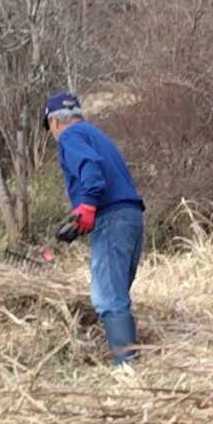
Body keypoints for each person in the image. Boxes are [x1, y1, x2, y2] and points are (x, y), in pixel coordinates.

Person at [43, 92, 144, 365]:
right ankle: (128, 355)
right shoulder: (95, 134)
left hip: (111, 217)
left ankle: (125, 365)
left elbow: (91, 169)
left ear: (53, 121)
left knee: (107, 294)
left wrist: (87, 205)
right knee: (117, 291)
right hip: (131, 216)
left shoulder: (69, 136)